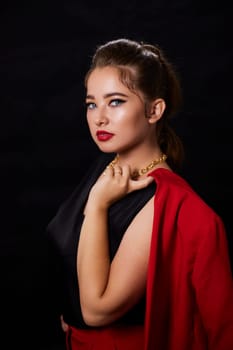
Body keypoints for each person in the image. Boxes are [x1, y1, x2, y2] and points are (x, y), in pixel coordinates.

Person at [47, 38, 233, 350]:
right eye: (92, 103)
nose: (99, 117)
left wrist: (97, 206)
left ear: (154, 110)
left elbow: (96, 310)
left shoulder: (163, 199)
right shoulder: (104, 169)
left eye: (116, 101)